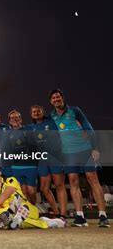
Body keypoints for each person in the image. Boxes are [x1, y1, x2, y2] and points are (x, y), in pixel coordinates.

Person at [49, 89, 109, 227]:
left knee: (93, 179)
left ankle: (102, 216)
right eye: (53, 98)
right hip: (69, 153)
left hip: (85, 149)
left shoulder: (75, 110)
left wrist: (94, 147)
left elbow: (88, 127)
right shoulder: (52, 116)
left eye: (58, 97)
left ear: (62, 98)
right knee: (73, 181)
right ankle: (80, 217)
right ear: (51, 101)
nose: (56, 99)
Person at [0, 165, 64, 229]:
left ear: (0, 172)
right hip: (6, 211)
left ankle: (44, 223)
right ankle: (15, 219)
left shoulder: (11, 180)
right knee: (5, 218)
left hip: (25, 207)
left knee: (3, 215)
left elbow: (5, 195)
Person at [28, 105, 67, 221]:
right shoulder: (31, 127)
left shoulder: (51, 122)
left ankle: (63, 215)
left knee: (59, 185)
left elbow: (63, 132)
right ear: (31, 114)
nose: (36, 113)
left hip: (55, 158)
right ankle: (56, 213)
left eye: (38, 111)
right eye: (33, 111)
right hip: (42, 160)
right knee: (44, 188)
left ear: (43, 112)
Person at [7, 110, 38, 204]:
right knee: (23, 191)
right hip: (16, 167)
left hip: (30, 166)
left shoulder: (28, 130)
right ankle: (29, 213)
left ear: (20, 119)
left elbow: (35, 146)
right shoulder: (8, 134)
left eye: (17, 117)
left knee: (32, 192)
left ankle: (34, 208)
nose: (15, 119)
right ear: (9, 121)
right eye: (12, 118)